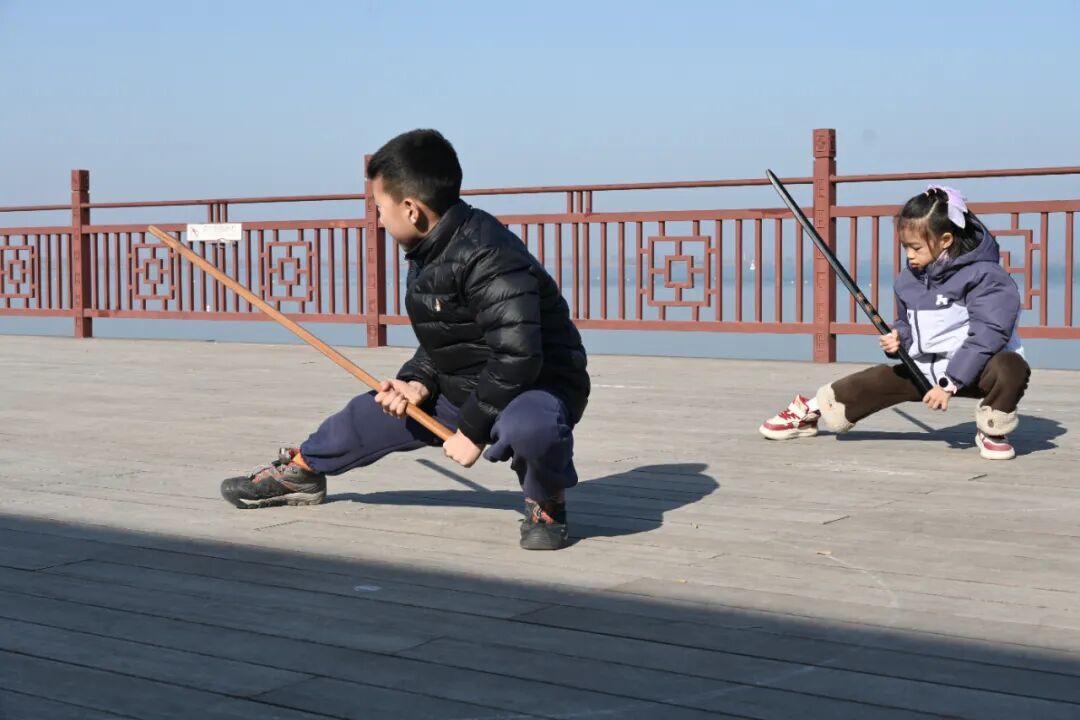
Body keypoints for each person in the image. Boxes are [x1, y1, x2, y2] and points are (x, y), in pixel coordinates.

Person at [220, 129, 590, 550]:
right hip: (467, 386)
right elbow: (449, 336)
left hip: (535, 386)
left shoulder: (490, 255)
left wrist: (471, 432)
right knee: (368, 413)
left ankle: (546, 502)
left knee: (532, 428)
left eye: (380, 207)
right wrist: (419, 380)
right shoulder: (432, 248)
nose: (379, 219)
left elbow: (518, 354)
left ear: (411, 209)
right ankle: (302, 470)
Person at [759, 185, 1030, 460]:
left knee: (1011, 369)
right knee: (876, 380)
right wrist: (899, 338)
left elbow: (989, 333)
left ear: (945, 239)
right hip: (930, 368)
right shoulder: (909, 279)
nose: (909, 255)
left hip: (978, 368)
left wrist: (950, 383)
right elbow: (906, 324)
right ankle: (810, 409)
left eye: (916, 247)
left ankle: (993, 428)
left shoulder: (986, 275)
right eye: (905, 247)